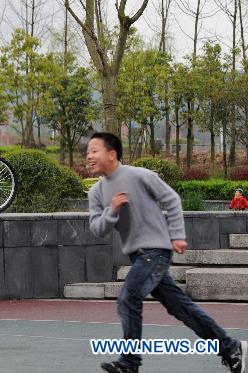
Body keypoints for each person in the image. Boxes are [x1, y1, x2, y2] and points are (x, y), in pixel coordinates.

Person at [86, 132, 246, 373]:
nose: (89, 156)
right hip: (138, 255)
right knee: (180, 307)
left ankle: (129, 364)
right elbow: (97, 228)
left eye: (94, 150)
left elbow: (171, 199)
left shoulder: (139, 175)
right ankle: (231, 349)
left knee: (128, 298)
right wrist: (112, 210)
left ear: (112, 154)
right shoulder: (96, 193)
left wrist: (177, 235)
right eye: (87, 152)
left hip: (155, 251)